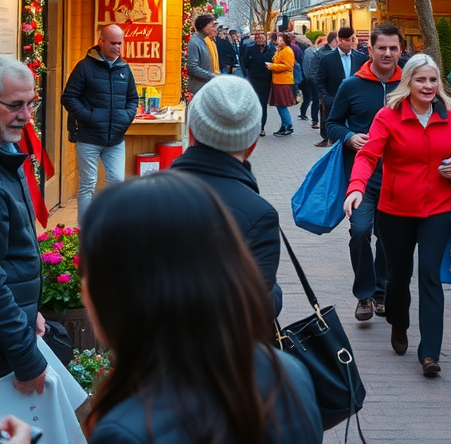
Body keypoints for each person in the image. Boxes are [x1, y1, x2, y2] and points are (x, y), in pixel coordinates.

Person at [81, 173, 323, 444]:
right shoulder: (289, 374)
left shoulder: (127, 429)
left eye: (88, 270)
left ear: (126, 293)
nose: (82, 292)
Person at [344, 53, 451, 377]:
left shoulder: (449, 117)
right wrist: (356, 187)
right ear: (408, 82)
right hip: (396, 209)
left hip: (437, 209)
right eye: (421, 80)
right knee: (398, 277)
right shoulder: (389, 116)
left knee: (429, 275)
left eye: (432, 80)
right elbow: (368, 154)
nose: (427, 86)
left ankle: (429, 352)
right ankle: (398, 322)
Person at [172, 78, 283, 316]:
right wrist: (275, 293)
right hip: (221, 350)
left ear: (191, 133)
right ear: (252, 145)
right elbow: (257, 309)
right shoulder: (260, 214)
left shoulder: (135, 198)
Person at [327, 23, 402, 321]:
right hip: (361, 176)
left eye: (393, 48)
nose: (387, 53)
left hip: (397, 176)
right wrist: (348, 137)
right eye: (381, 47)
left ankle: (381, 293)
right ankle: (363, 293)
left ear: (400, 50)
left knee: (386, 237)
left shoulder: (408, 83)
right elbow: (331, 124)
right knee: (359, 232)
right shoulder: (352, 85)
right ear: (368, 49)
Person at [0, 58, 47, 395]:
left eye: (31, 103)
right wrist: (27, 359)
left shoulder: (7, 148)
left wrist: (31, 312)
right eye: (15, 105)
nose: (27, 116)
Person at [61, 24, 138, 224]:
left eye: (120, 43)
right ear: (101, 42)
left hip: (115, 139)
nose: (117, 47)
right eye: (113, 43)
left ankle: (111, 231)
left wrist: (124, 119)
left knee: (116, 184)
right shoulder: (84, 67)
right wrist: (90, 117)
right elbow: (69, 98)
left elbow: (133, 99)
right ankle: (84, 232)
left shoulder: (124, 68)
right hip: (89, 138)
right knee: (88, 184)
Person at [316, 26, 363, 147]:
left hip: (356, 101)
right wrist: (326, 98)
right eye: (346, 40)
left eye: (351, 40)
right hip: (334, 100)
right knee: (336, 135)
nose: (349, 43)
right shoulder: (327, 59)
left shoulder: (360, 58)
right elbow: (320, 81)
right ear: (339, 40)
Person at [243, 30, 276, 135]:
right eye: (257, 39)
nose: (260, 40)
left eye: (262, 38)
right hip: (254, 79)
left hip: (266, 80)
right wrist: (247, 75)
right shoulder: (249, 49)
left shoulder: (271, 49)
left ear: (265, 39)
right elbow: (245, 63)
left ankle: (262, 127)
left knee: (263, 104)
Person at [266, 34, 295, 137]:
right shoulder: (280, 50)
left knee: (281, 105)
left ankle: (289, 125)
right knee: (279, 105)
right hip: (278, 80)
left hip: (283, 81)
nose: (278, 40)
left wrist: (272, 66)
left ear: (285, 41)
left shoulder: (287, 51)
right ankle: (284, 126)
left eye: (280, 39)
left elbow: (288, 66)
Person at [187, 14, 220, 95]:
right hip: (197, 88)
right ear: (203, 26)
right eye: (211, 25)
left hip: (204, 87)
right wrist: (211, 75)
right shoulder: (194, 42)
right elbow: (192, 67)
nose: (213, 29)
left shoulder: (203, 41)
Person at [300, 36, 326, 126]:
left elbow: (304, 65)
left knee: (314, 99)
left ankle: (313, 119)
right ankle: (315, 119)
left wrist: (307, 76)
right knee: (316, 99)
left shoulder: (308, 51)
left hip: (308, 78)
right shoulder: (319, 53)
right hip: (315, 79)